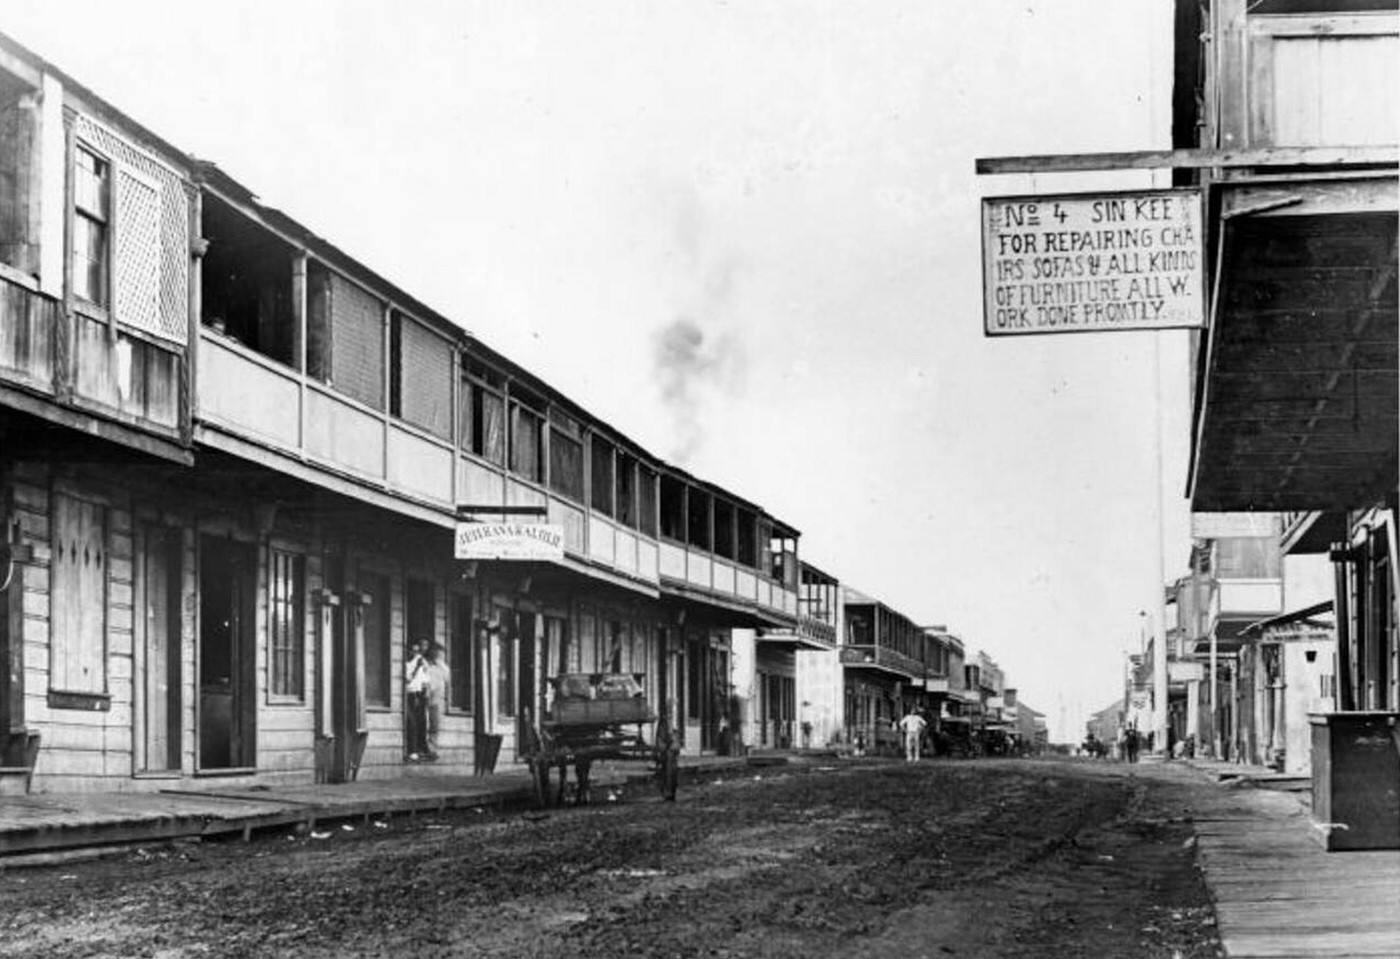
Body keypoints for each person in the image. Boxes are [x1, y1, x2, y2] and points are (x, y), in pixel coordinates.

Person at [422, 643, 449, 762]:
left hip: (436, 700)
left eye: (441, 655)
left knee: (435, 725)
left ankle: (432, 750)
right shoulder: (426, 665)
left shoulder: (442, 668)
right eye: (438, 654)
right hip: (425, 697)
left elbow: (447, 678)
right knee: (425, 724)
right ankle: (424, 749)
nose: (440, 657)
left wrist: (440, 664)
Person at [405, 639, 430, 761]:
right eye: (412, 651)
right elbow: (408, 679)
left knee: (421, 723)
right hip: (408, 694)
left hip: (418, 694)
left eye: (416, 651)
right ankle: (412, 750)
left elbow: (425, 678)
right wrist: (416, 667)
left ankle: (422, 749)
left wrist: (424, 691)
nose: (414, 653)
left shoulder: (420, 661)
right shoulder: (406, 664)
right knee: (411, 723)